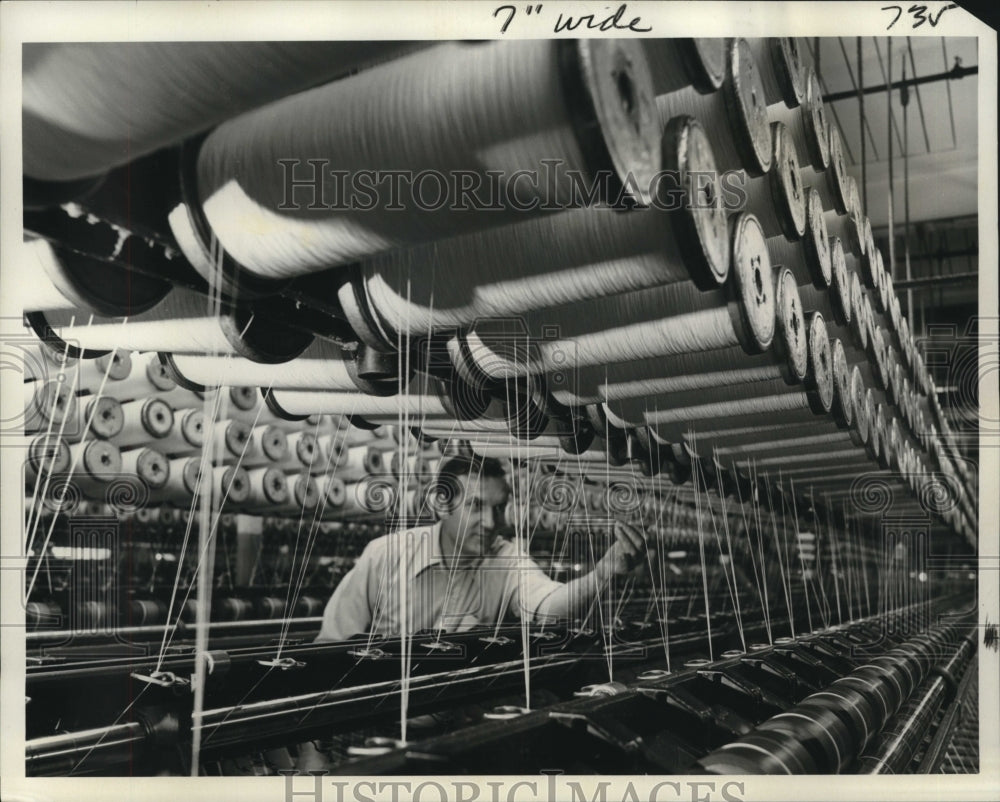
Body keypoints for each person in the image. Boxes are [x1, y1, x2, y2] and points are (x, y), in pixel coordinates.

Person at [315, 454, 650, 642]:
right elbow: (330, 646)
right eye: (475, 506)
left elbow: (546, 607)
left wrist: (602, 575)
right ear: (441, 505)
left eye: (498, 508)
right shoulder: (385, 555)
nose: (491, 523)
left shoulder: (506, 558)